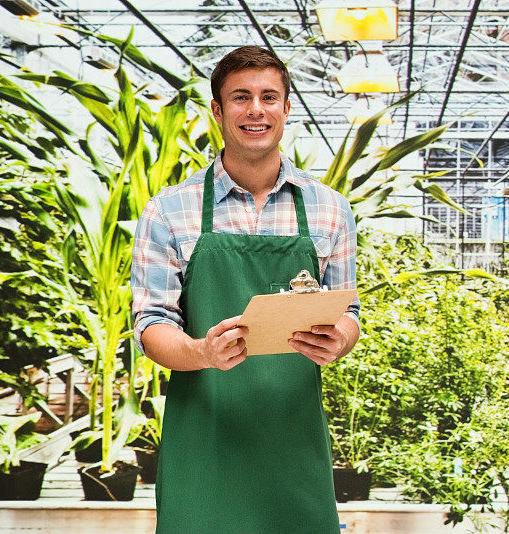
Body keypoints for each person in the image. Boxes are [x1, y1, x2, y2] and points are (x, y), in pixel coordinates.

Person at [130, 45, 360, 534]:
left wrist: (340, 339)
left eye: (268, 97)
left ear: (286, 108)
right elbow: (150, 325)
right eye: (240, 97)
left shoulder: (330, 210)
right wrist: (201, 352)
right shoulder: (169, 211)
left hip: (293, 439)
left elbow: (349, 310)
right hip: (205, 437)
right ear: (217, 110)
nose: (256, 110)